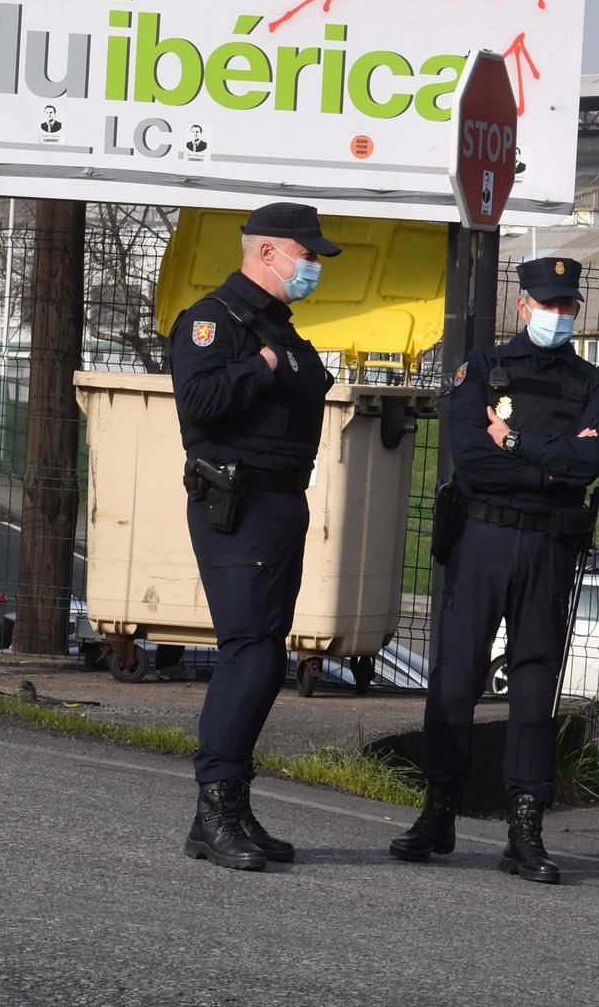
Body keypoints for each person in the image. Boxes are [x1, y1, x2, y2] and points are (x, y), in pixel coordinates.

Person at [390, 257, 599, 883]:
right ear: (524, 306)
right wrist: (551, 468)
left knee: (536, 679)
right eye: (547, 303)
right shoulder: (483, 370)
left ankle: (525, 828)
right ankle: (437, 812)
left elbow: (589, 463)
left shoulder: (594, 383)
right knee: (457, 673)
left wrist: (516, 444)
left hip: (549, 545)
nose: (557, 314)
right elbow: (469, 457)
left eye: (567, 305)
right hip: (482, 536)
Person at [167, 201, 339, 872]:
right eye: (308, 255)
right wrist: (260, 366)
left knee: (265, 653)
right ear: (268, 252)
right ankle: (215, 809)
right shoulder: (217, 320)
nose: (314, 266)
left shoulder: (276, 326)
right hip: (237, 503)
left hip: (279, 502)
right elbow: (199, 402)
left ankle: (229, 807)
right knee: (251, 655)